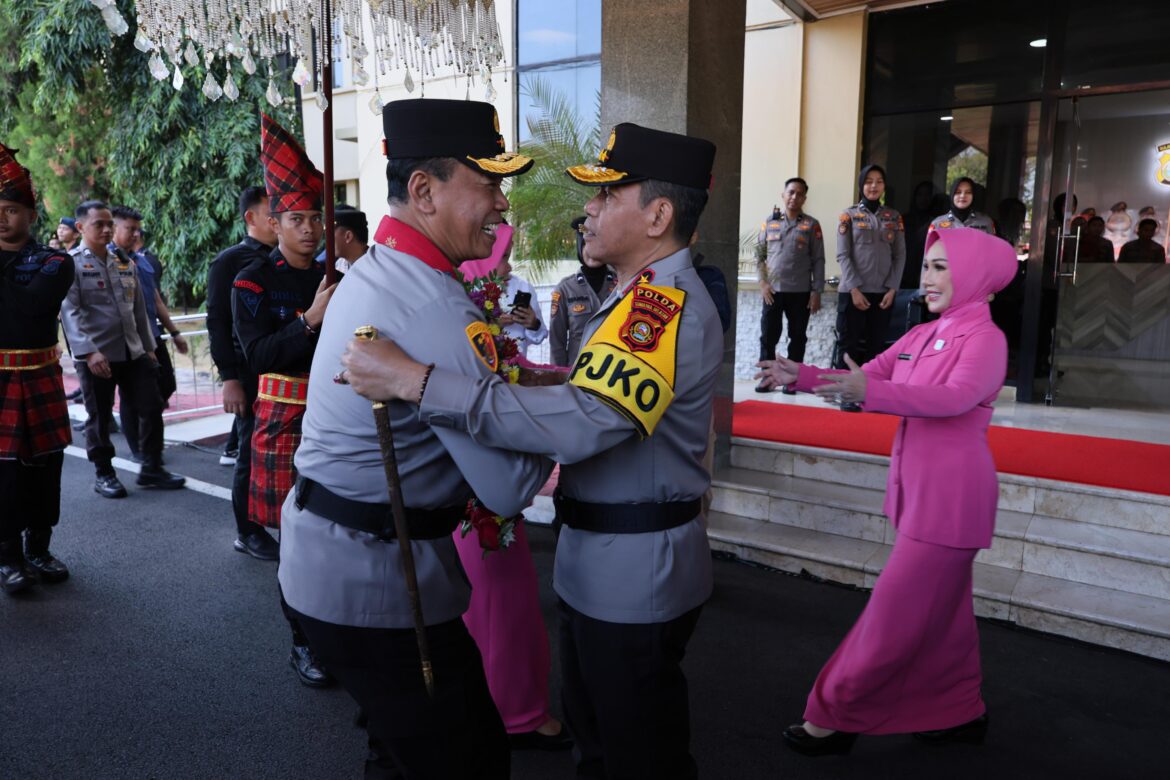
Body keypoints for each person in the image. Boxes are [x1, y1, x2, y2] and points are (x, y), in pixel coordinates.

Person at [341, 120, 723, 780]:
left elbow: (582, 422)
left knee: (637, 757)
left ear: (659, 214)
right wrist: (532, 382)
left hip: (634, 577)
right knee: (600, 746)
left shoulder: (658, 308)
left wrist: (416, 380)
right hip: (609, 567)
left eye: (607, 197)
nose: (589, 210)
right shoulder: (632, 297)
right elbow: (590, 395)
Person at [279, 97, 548, 779]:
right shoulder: (432, 300)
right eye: (488, 184)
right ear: (423, 191)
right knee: (468, 761)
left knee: (401, 752)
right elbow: (510, 487)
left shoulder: (380, 270)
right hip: (377, 583)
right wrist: (554, 415)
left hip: (337, 564)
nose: (501, 205)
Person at [755, 227, 1018, 756]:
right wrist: (800, 376)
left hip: (952, 502)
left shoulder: (986, 339)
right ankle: (960, 709)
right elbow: (868, 373)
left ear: (979, 277)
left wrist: (871, 392)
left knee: (891, 617)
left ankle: (833, 713)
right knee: (946, 620)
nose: (929, 277)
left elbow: (955, 398)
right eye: (927, 266)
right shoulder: (924, 334)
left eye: (943, 267)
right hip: (923, 494)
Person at [232, 114, 336, 688]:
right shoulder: (250, 281)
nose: (310, 230)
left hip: (338, 412)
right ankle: (303, 641)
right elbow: (260, 356)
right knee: (294, 541)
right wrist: (311, 319)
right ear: (275, 223)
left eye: (316, 219)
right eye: (297, 220)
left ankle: (340, 633)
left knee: (340, 531)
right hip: (282, 415)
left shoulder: (342, 274)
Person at [60, 200, 185, 497]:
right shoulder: (72, 264)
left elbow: (138, 309)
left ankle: (152, 468)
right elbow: (70, 311)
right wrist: (89, 352)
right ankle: (104, 473)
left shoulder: (124, 261)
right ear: (80, 228)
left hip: (133, 351)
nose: (106, 229)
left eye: (109, 224)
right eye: (98, 225)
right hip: (97, 355)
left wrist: (148, 346)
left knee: (152, 405)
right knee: (100, 416)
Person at [0, 142, 75, 594]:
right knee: (3, 471)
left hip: (40, 375)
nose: (3, 216)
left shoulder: (53, 261)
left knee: (45, 466)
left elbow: (31, 308)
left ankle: (38, 547)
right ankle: (7, 556)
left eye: (11, 209)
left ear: (30, 216)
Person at [207, 186, 280, 559]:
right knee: (250, 454)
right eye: (273, 212)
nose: (280, 219)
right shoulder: (230, 261)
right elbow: (217, 324)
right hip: (248, 374)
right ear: (251, 218)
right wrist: (230, 379)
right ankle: (247, 531)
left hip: (284, 369)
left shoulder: (288, 259)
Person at [110, 208, 188, 461]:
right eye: (129, 229)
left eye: (137, 229)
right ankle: (140, 451)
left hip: (152, 333)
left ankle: (147, 440)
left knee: (167, 384)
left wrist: (175, 333)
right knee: (133, 395)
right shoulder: (106, 261)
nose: (135, 234)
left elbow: (156, 299)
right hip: (128, 340)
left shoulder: (141, 260)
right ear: (113, 229)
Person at [835, 164, 906, 410]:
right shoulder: (849, 215)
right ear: (861, 186)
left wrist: (892, 289)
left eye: (878, 181)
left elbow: (900, 256)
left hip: (883, 294)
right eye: (869, 181)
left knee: (877, 348)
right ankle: (846, 394)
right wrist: (854, 289)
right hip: (853, 292)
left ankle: (871, 395)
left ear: (884, 186)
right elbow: (843, 255)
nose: (873, 186)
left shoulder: (894, 217)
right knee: (849, 346)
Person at [755, 177, 825, 394]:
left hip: (800, 293)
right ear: (783, 195)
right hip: (773, 292)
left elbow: (818, 260)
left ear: (804, 198)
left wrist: (816, 292)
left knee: (797, 338)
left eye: (799, 193)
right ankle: (767, 379)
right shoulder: (770, 222)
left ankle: (792, 380)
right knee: (768, 337)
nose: (794, 197)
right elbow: (760, 257)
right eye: (791, 192)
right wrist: (763, 283)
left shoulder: (812, 225)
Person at [548, 215, 616, 367]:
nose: (591, 251)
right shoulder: (565, 289)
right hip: (577, 376)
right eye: (585, 244)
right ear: (579, 247)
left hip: (614, 374)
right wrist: (559, 378)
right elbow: (556, 342)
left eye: (597, 244)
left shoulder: (622, 284)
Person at [929, 178, 996, 235]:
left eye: (968, 192)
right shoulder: (937, 223)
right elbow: (931, 249)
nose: (963, 196)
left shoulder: (986, 222)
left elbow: (993, 248)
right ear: (952, 195)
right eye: (958, 192)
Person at [318, 203, 368, 276]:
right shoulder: (340, 264)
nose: (327, 239)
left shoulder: (374, 265)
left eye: (330, 233)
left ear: (348, 236)